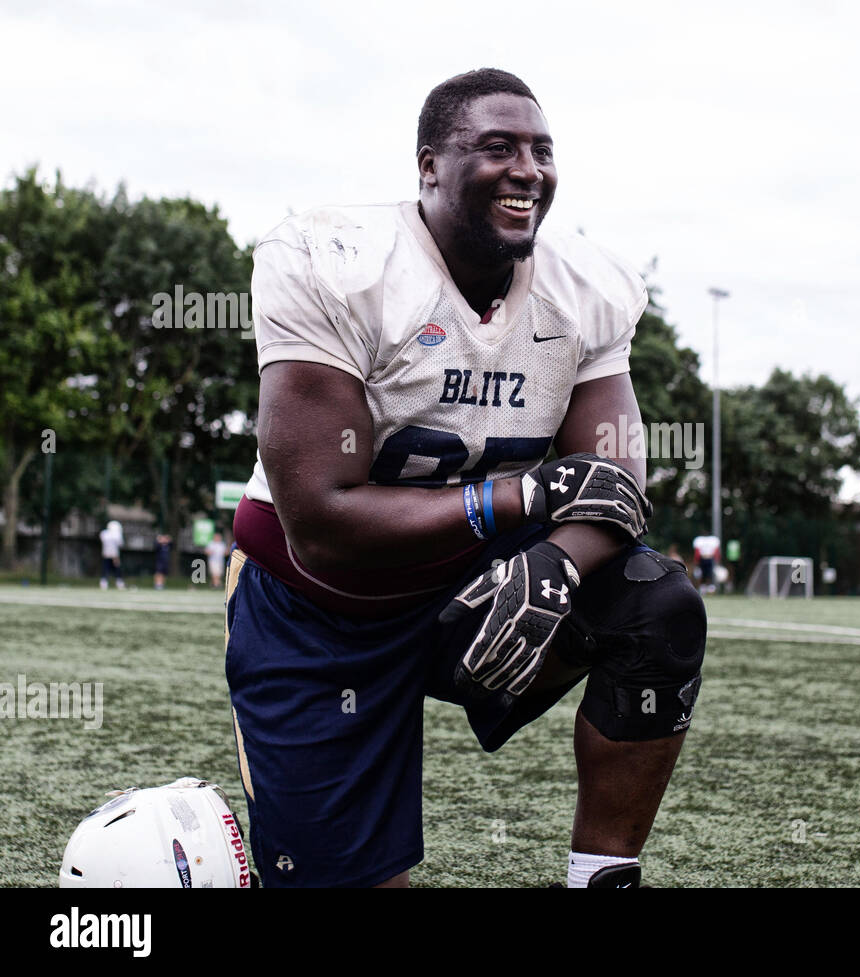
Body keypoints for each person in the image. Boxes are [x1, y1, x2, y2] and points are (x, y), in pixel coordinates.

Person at [224, 68, 707, 889]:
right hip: (319, 604)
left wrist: (555, 561)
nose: (528, 169)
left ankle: (603, 874)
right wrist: (519, 497)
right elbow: (321, 516)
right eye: (497, 148)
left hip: (480, 593)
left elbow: (615, 484)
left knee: (654, 602)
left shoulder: (584, 291)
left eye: (541, 151)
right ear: (428, 167)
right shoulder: (335, 263)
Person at [99, 520, 124, 590]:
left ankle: (104, 583)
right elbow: (120, 544)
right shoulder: (117, 535)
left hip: (106, 554)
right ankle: (119, 583)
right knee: (117, 569)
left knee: (106, 569)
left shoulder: (104, 533)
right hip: (114, 555)